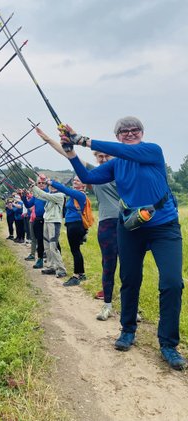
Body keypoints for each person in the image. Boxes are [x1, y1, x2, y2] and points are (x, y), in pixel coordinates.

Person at [58, 116, 186, 370]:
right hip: (130, 228)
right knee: (129, 278)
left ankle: (168, 345)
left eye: (134, 129)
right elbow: (87, 176)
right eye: (123, 131)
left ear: (141, 132)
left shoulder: (152, 151)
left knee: (172, 282)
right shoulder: (116, 165)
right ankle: (127, 330)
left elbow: (120, 150)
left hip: (164, 226)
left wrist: (83, 139)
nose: (129, 133)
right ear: (117, 135)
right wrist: (71, 152)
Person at [36, 127, 120, 319]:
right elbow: (69, 155)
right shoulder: (96, 174)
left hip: (126, 222)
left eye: (106, 156)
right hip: (107, 223)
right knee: (108, 264)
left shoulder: (122, 169)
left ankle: (129, 305)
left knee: (130, 267)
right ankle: (107, 304)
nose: (103, 159)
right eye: (99, 157)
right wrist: (49, 139)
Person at [28, 177, 67, 278]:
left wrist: (34, 185)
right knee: (47, 246)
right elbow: (39, 196)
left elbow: (43, 195)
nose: (51, 186)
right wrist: (33, 188)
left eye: (54, 185)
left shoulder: (59, 195)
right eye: (50, 185)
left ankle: (61, 269)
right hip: (47, 221)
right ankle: (51, 266)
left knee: (53, 246)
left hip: (54, 222)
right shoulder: (50, 195)